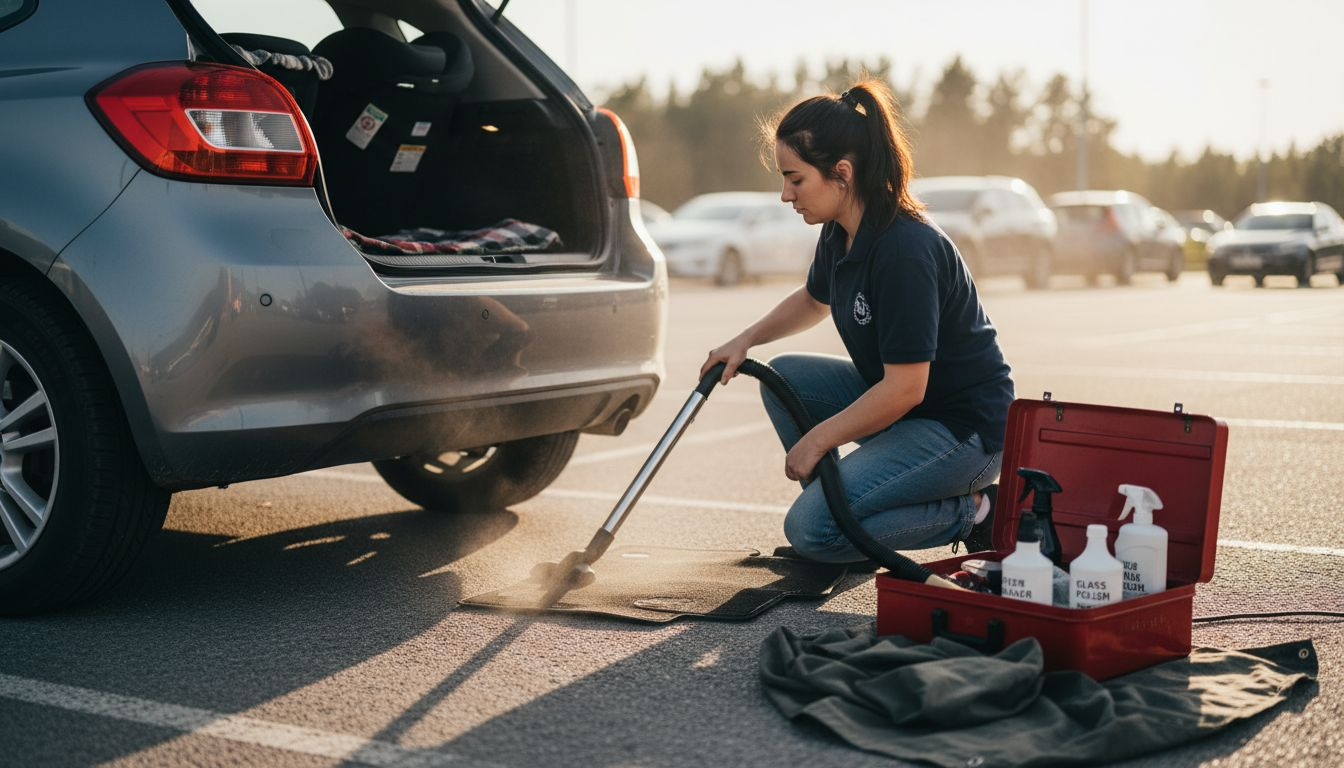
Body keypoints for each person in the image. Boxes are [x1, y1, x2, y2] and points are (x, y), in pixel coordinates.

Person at [699, 80, 1013, 564]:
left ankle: (976, 513)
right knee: (784, 378)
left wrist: (820, 440)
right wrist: (743, 341)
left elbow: (906, 388)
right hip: (909, 410)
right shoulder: (839, 232)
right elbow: (812, 299)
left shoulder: (906, 250)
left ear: (841, 173)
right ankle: (844, 519)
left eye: (795, 179)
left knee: (811, 532)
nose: (785, 194)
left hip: (963, 432)